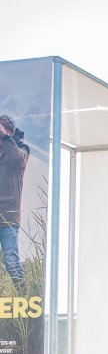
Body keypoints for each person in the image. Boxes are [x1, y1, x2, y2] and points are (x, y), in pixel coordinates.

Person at [0, 114, 30, 285]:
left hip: (8, 217)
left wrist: (4, 137)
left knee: (11, 260)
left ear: (10, 131)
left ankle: (22, 294)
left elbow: (18, 159)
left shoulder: (21, 149)